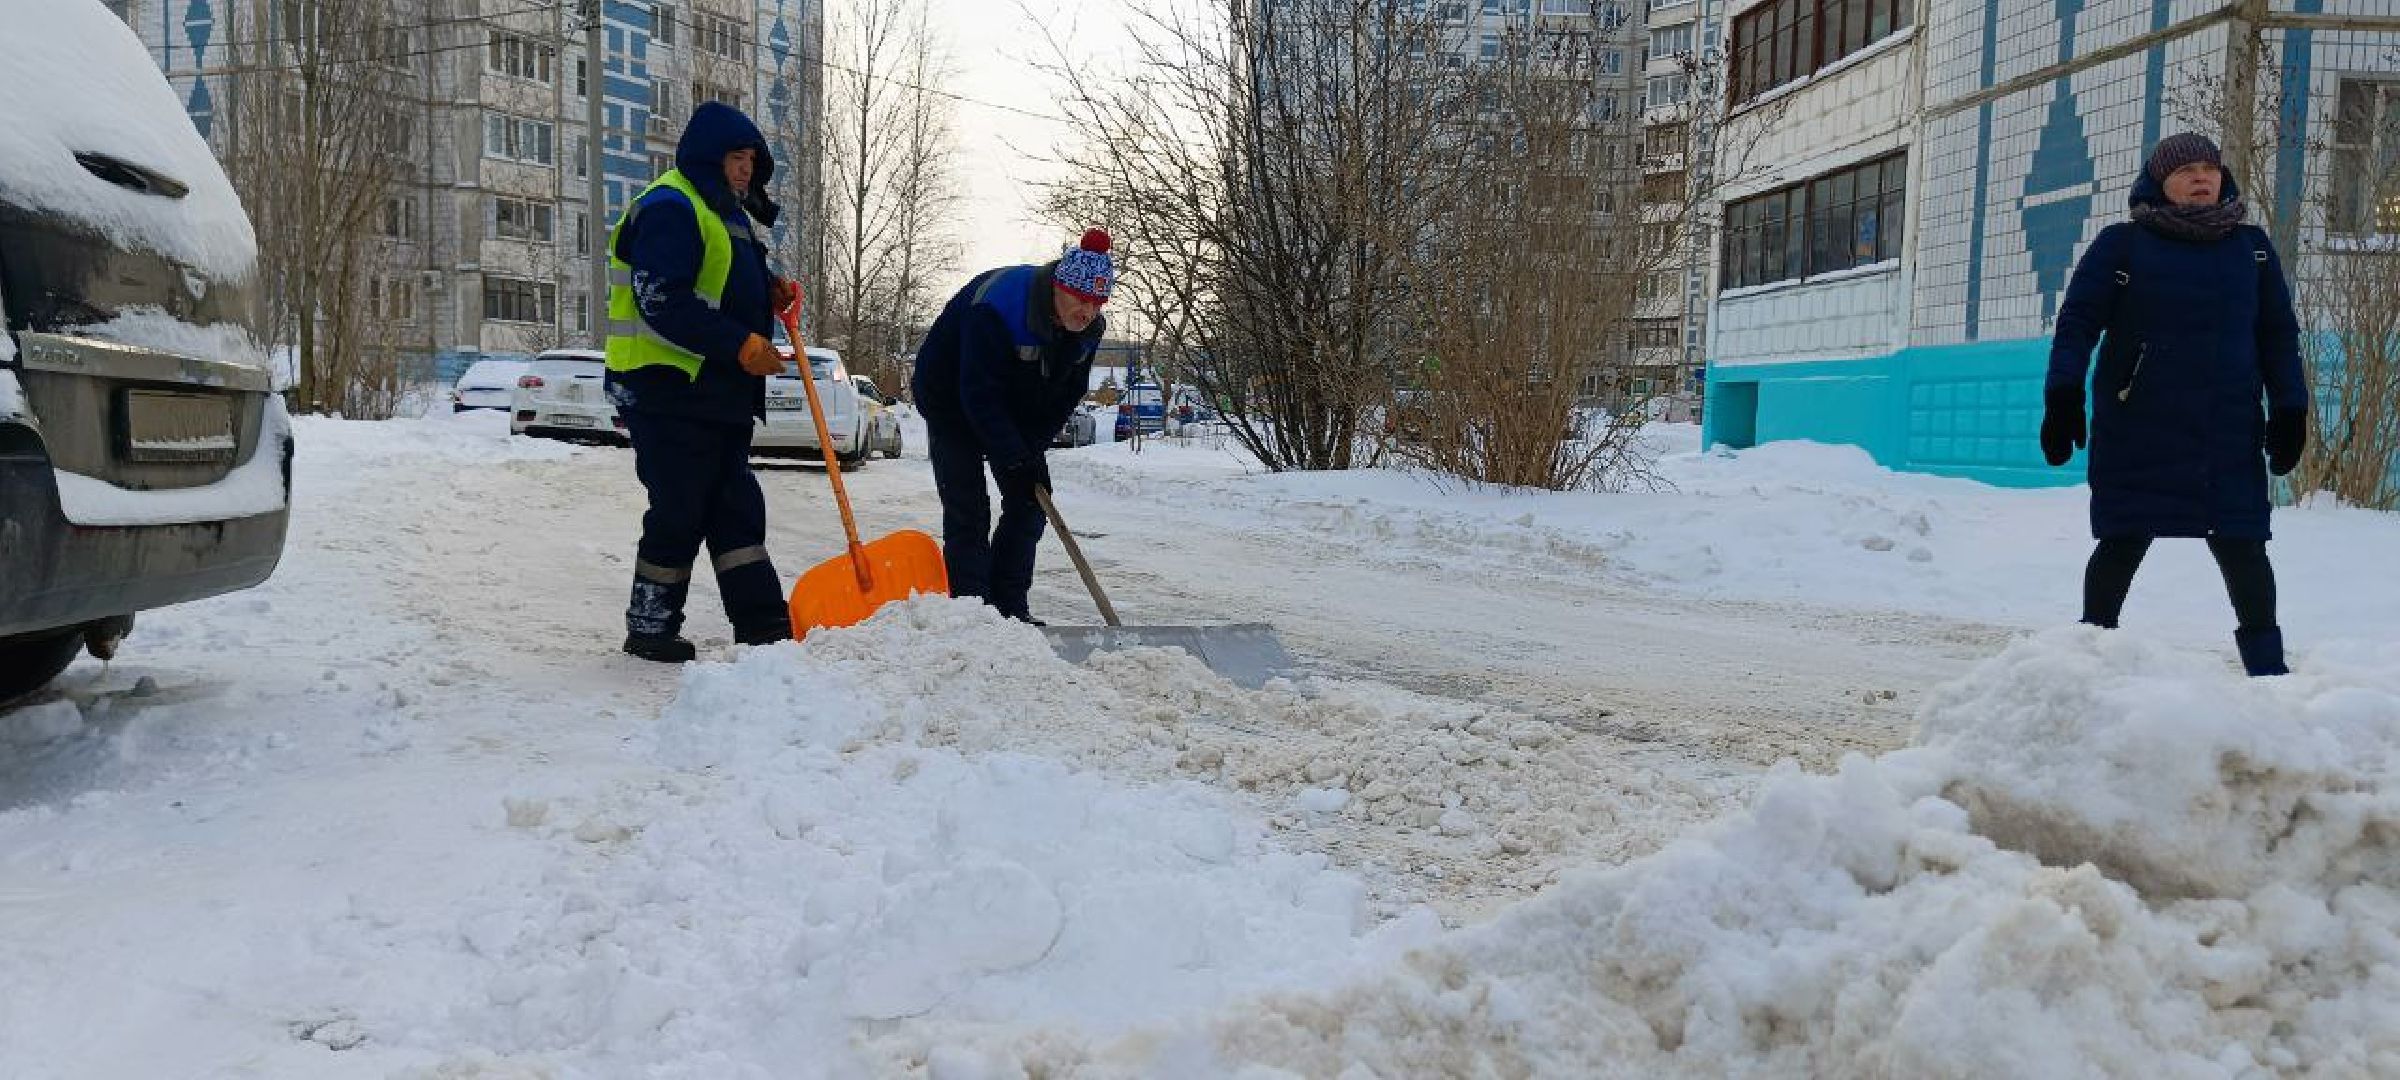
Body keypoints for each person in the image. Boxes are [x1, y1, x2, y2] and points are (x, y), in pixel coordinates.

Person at [2043, 132, 2310, 676]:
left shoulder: (2251, 249)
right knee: (2122, 539)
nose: (2201, 177)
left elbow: (2279, 335)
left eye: (2210, 167)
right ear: (2160, 181)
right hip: (2140, 425)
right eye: (2186, 168)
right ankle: (2087, 665)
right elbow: (2077, 325)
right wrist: (2062, 391)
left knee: (2244, 545)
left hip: (2226, 428)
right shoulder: (2122, 245)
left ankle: (2268, 674)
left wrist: (2290, 407)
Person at [602, 102, 797, 662]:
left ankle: (763, 626)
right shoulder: (671, 206)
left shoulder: (723, 212)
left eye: (752, 160)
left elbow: (726, 275)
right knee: (681, 507)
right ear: (710, 157)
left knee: (736, 505)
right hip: (665, 389)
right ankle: (651, 627)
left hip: (715, 394)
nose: (745, 169)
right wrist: (739, 343)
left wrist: (770, 288)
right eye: (737, 158)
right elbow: (663, 299)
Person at [910, 229, 1112, 624]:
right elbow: (977, 394)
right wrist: (1012, 455)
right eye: (1081, 299)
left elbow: (1066, 394)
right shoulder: (998, 307)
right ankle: (975, 616)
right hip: (950, 398)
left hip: (1013, 406)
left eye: (1098, 302)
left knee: (1030, 504)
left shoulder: (1087, 329)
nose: (1087, 311)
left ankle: (1010, 610)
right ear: (1059, 286)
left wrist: (1028, 452)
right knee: (969, 510)